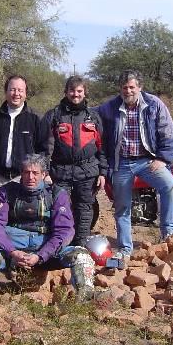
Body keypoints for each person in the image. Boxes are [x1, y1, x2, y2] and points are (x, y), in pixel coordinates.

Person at [0, 154, 95, 315]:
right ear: (21, 173)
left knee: (82, 255)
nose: (30, 177)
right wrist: (12, 251)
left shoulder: (57, 195)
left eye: (35, 173)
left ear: (44, 175)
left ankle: (84, 302)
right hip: (12, 252)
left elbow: (64, 231)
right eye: (26, 172)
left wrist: (40, 255)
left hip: (46, 253)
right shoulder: (7, 191)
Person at [96, 70, 173, 258]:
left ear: (139, 87)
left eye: (132, 87)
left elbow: (169, 133)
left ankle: (169, 232)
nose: (128, 91)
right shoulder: (109, 108)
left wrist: (162, 159)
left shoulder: (153, 104)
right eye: (124, 88)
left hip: (147, 160)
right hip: (121, 163)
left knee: (169, 185)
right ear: (120, 89)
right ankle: (125, 248)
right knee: (121, 206)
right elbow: (89, 115)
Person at [41, 76, 107, 247]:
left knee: (84, 209)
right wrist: (45, 172)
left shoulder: (93, 117)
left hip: (88, 171)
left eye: (79, 91)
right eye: (72, 90)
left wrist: (103, 173)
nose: (75, 94)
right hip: (59, 172)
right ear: (66, 92)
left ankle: (80, 246)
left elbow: (103, 147)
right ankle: (57, 245)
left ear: (85, 92)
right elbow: (44, 147)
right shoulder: (53, 115)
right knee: (58, 208)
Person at [0, 75, 45, 213]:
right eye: (12, 89)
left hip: (23, 177)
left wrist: (43, 172)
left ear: (26, 93)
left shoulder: (35, 119)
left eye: (20, 90)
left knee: (18, 215)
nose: (16, 94)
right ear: (6, 92)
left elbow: (44, 148)